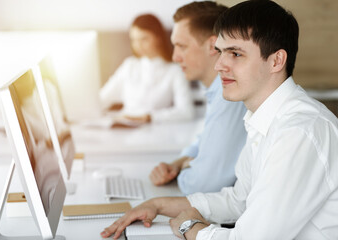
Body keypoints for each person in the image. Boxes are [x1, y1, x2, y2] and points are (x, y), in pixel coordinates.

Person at [101, 1, 338, 239]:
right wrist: (159, 205)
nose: (219, 65)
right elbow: (239, 201)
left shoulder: (299, 131)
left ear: (276, 61)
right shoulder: (262, 119)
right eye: (221, 51)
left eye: (235, 53)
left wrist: (190, 228)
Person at [149, 1, 247, 195]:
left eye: (181, 46)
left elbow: (201, 185)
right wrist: (179, 163)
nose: (175, 57)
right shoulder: (217, 90)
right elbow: (204, 141)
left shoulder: (231, 95)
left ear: (213, 45)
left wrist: (186, 168)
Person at [100, 13, 194, 124]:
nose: (138, 45)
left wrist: (148, 117)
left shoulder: (174, 71)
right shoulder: (129, 65)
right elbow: (102, 99)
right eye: (134, 40)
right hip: (123, 128)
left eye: (144, 39)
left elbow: (187, 112)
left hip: (155, 131)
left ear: (158, 38)